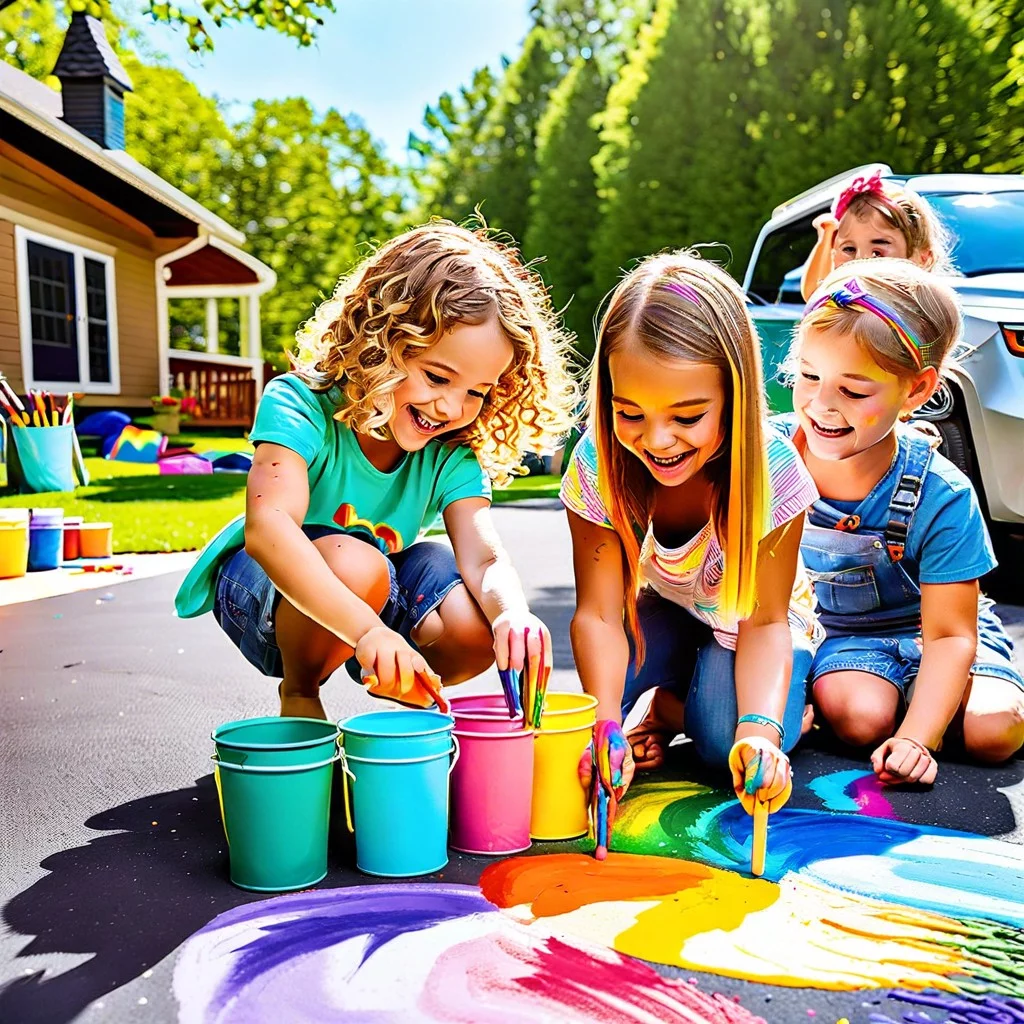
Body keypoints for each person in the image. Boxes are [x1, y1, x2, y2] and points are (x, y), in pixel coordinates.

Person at [175, 222, 578, 719]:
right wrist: (368, 632)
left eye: (477, 391)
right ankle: (301, 692)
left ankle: (400, 687)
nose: (452, 406)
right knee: (356, 561)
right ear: (382, 342)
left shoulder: (449, 452)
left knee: (476, 619)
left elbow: (484, 560)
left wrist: (512, 614)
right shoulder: (302, 403)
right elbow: (268, 529)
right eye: (437, 376)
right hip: (267, 595)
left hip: (373, 595)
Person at [562, 250, 821, 810]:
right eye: (630, 412)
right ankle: (676, 694)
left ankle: (781, 705)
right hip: (673, 610)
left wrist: (759, 731)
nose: (657, 440)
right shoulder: (598, 462)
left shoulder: (772, 471)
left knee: (724, 746)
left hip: (754, 628)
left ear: (734, 395)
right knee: (572, 729)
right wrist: (606, 725)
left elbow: (766, 620)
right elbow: (601, 614)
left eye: (686, 417)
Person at [782, 259, 1024, 783]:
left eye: (853, 391)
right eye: (807, 376)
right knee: (859, 719)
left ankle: (934, 704)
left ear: (915, 391)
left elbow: (950, 636)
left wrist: (917, 739)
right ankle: (914, 702)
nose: (821, 404)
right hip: (846, 638)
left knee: (995, 731)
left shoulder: (941, 492)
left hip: (939, 629)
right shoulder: (771, 456)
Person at [800, 170, 953, 302]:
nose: (860, 261)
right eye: (849, 249)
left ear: (923, 259)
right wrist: (826, 238)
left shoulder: (927, 317)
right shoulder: (842, 306)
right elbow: (814, 294)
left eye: (877, 252)